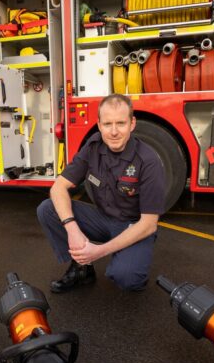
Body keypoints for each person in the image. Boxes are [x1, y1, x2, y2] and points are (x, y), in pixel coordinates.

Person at [37, 93, 165, 293]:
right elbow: (58, 187)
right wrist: (73, 230)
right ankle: (81, 268)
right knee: (48, 209)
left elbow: (149, 225)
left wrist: (97, 252)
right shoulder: (93, 147)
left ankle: (130, 261)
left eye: (120, 123)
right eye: (107, 124)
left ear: (132, 124)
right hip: (102, 219)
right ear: (99, 125)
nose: (114, 132)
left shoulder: (148, 161)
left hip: (133, 225)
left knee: (128, 278)